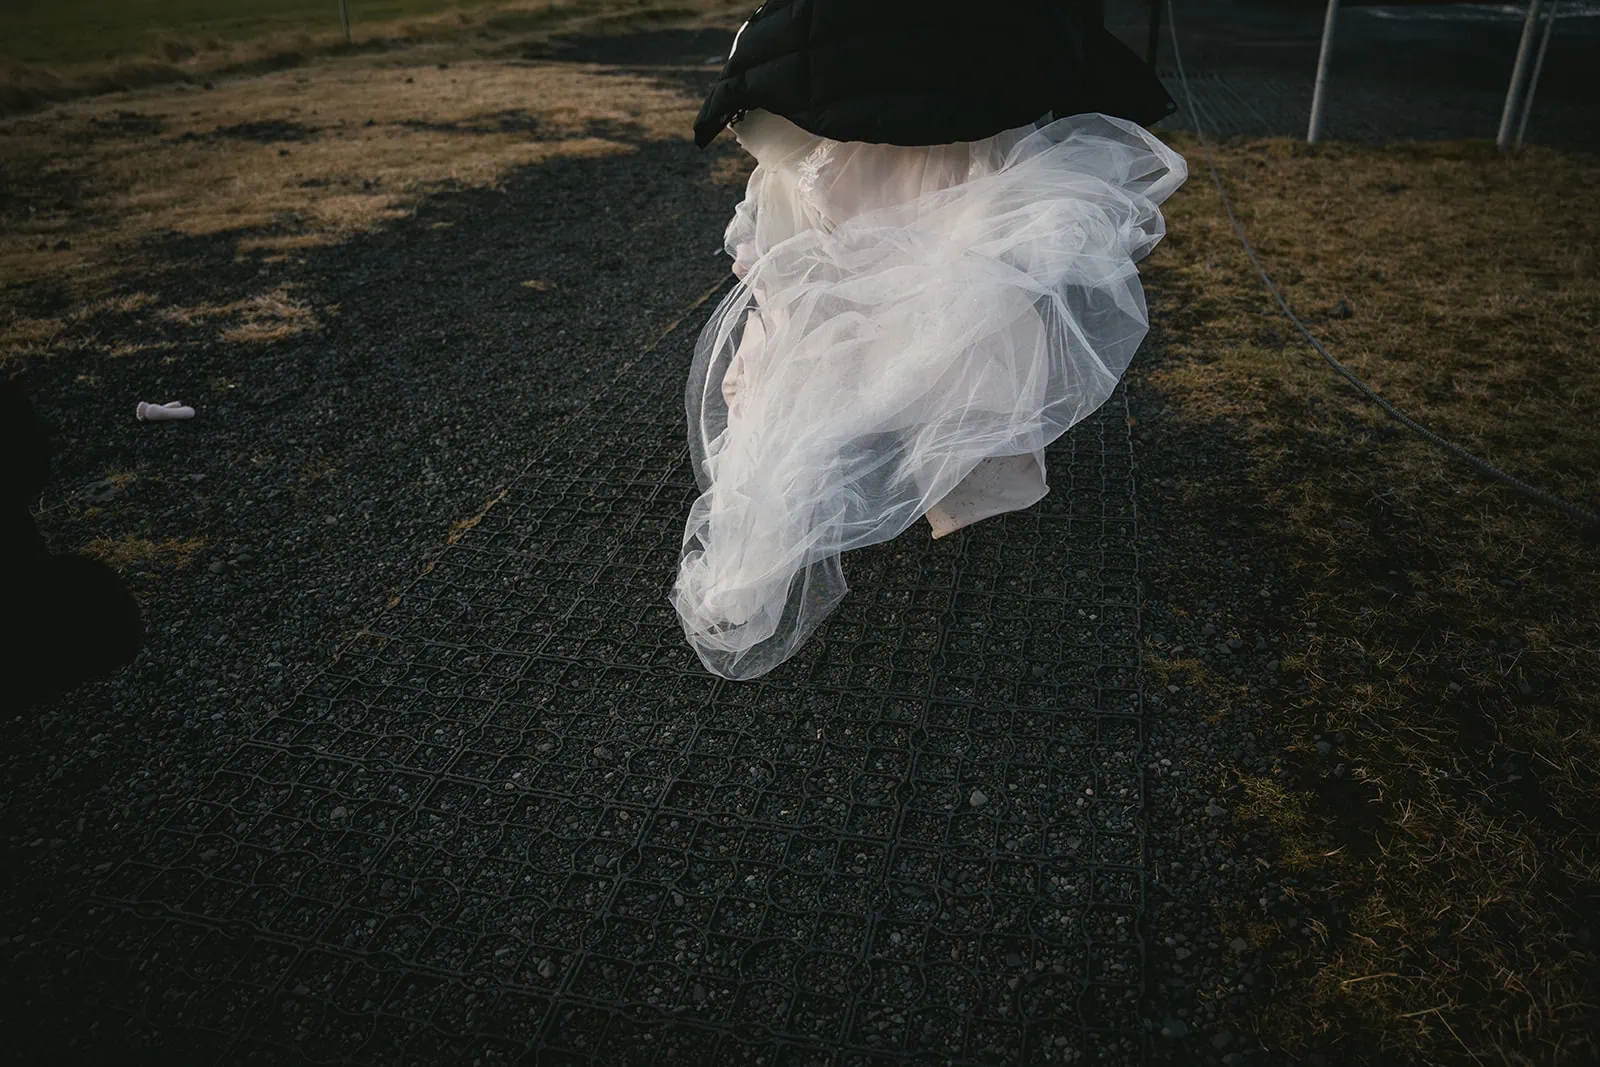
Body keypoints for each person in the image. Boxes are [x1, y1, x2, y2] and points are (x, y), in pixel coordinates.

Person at [673, 0, 1187, 680]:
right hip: (959, 84)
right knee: (951, 291)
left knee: (821, 303)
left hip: (836, 88)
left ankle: (793, 486)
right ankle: (946, 462)